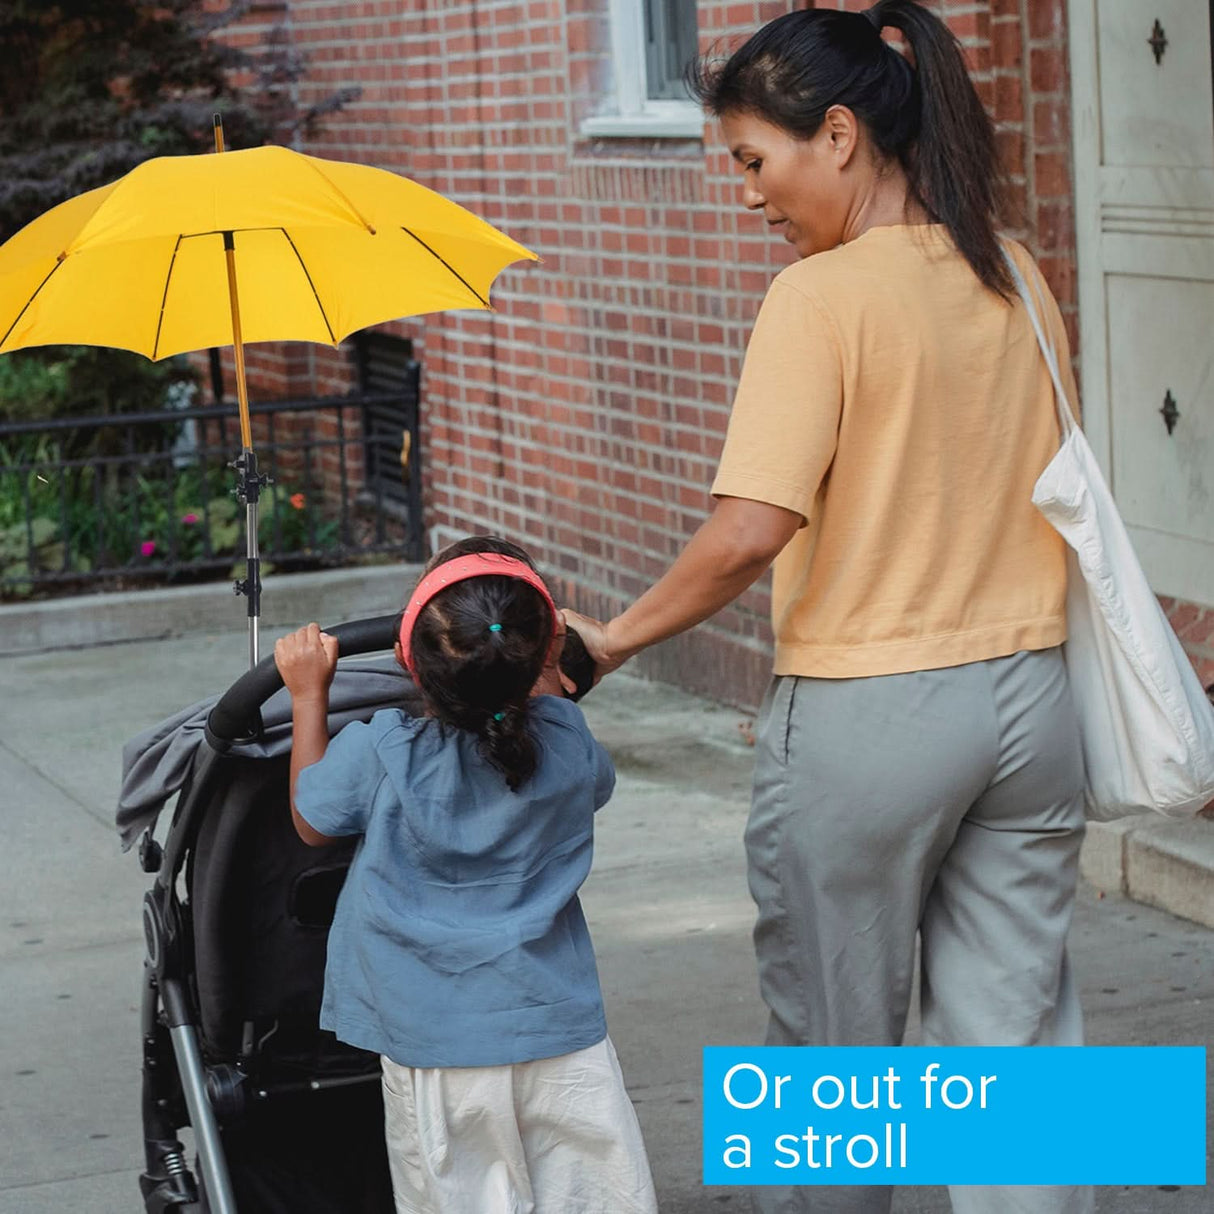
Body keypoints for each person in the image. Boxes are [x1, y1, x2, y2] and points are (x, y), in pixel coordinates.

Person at [563, 3, 1091, 1213]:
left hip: (870, 716)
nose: (747, 193)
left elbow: (750, 528)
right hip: (1031, 699)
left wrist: (612, 639)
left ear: (839, 136)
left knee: (832, 1060)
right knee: (1018, 1045)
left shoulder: (818, 298)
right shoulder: (1013, 272)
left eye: (755, 161)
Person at [273, 535, 658, 1214]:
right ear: (545, 652)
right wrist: (546, 662)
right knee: (593, 1198)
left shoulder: (384, 750)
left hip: (436, 1048)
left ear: (407, 660)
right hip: (560, 1037)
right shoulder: (569, 738)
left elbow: (312, 820)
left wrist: (310, 694)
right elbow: (577, 762)